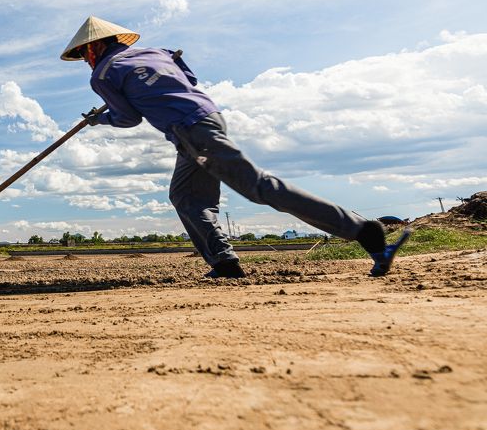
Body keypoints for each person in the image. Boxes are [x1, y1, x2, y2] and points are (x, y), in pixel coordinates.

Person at [61, 15, 409, 279]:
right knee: (186, 196)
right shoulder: (158, 52)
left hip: (191, 131)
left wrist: (98, 120)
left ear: (94, 48)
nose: (86, 60)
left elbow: (127, 118)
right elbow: (190, 81)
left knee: (259, 188)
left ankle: (365, 231)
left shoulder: (104, 74)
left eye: (85, 54)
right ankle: (224, 262)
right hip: (206, 119)